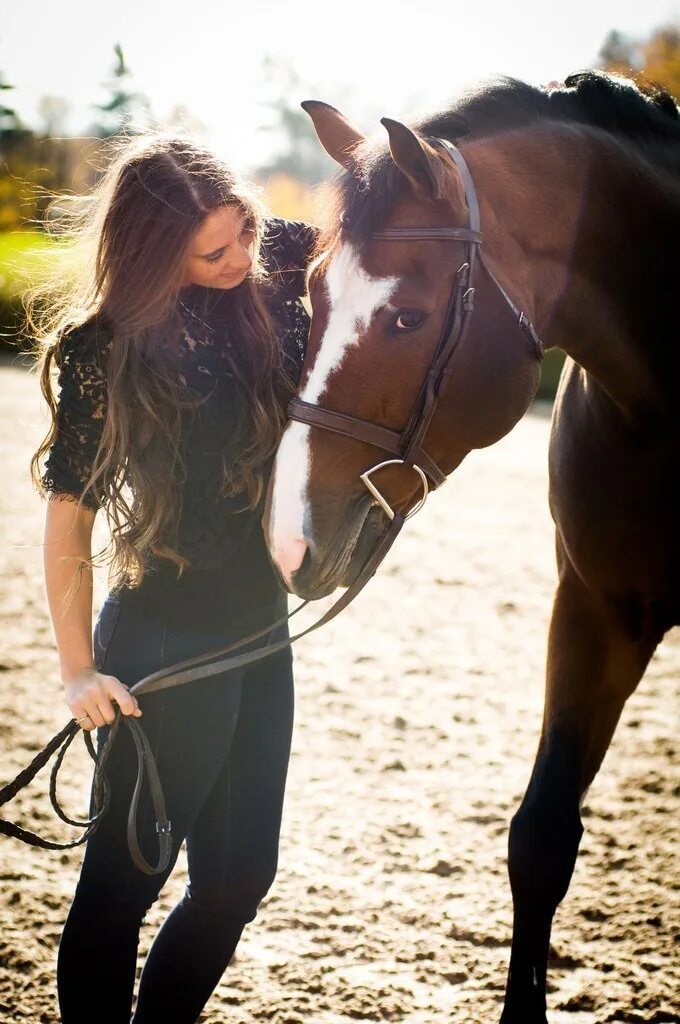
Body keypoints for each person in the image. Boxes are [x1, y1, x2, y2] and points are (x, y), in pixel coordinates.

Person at [29, 132, 318, 1023]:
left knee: (237, 881)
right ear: (156, 254)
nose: (241, 260)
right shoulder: (103, 348)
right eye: (214, 251)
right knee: (123, 886)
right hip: (159, 647)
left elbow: (374, 227)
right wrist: (78, 668)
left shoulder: (273, 292)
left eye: (244, 234)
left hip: (260, 635)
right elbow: (70, 521)